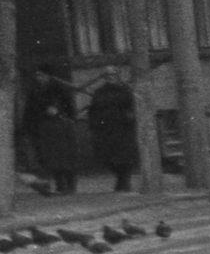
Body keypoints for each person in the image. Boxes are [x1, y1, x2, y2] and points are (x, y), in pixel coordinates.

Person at [25, 62, 81, 196]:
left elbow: (70, 107)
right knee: (51, 157)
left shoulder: (60, 89)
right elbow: (30, 109)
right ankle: (60, 184)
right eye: (37, 75)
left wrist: (59, 111)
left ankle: (70, 185)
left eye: (41, 75)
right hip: (44, 126)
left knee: (65, 156)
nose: (39, 78)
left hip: (60, 126)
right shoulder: (35, 90)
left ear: (48, 76)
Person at [86, 67, 141, 192]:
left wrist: (130, 118)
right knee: (108, 158)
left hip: (123, 128)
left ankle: (124, 181)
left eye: (113, 74)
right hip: (105, 129)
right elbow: (93, 109)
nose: (110, 77)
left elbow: (134, 107)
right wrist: (93, 124)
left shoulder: (126, 91)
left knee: (125, 158)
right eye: (107, 75)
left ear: (117, 76)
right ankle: (120, 178)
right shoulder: (99, 92)